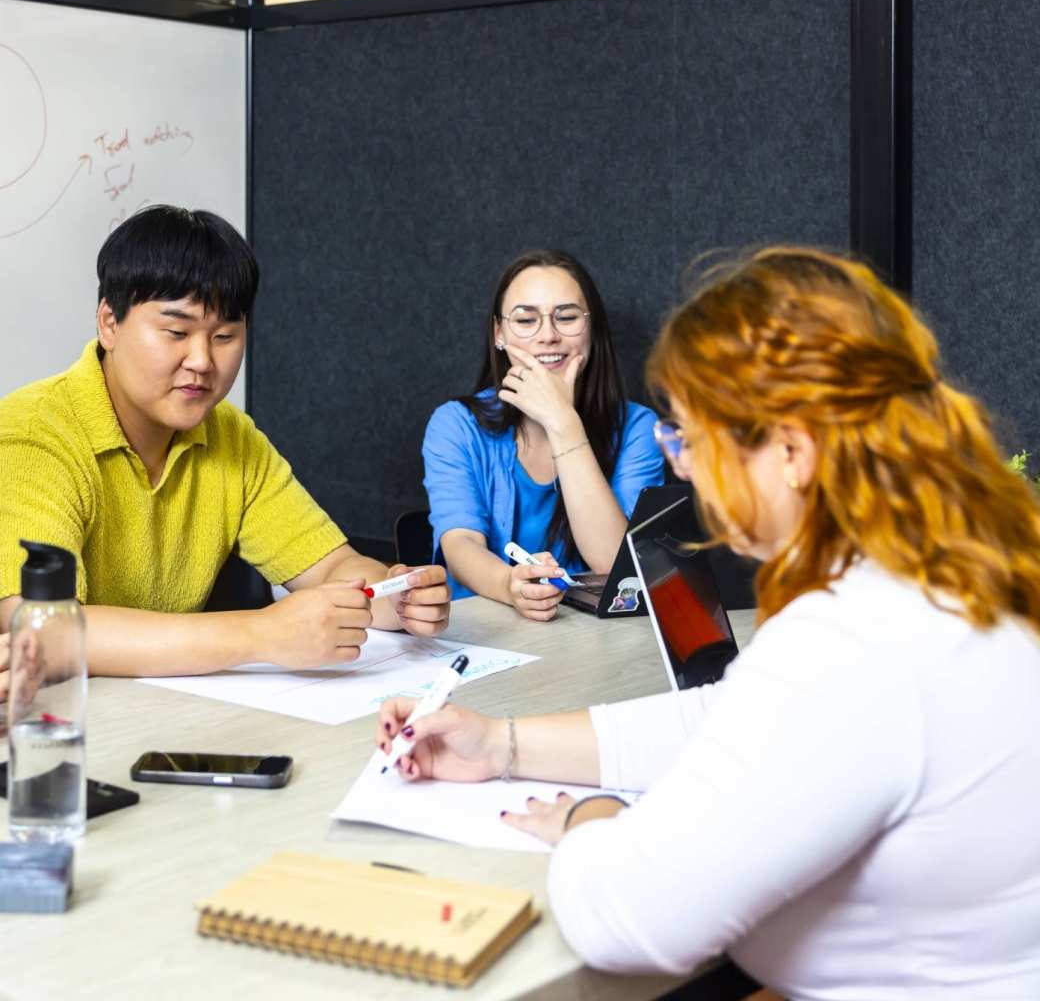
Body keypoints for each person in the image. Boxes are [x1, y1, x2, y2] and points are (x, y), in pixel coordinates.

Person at [379, 247, 1040, 996]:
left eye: (692, 439)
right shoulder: (946, 578)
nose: (684, 468)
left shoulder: (852, 640)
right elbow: (724, 723)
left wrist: (587, 818)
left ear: (790, 452)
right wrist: (500, 742)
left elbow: (624, 918)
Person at [0, 206, 450, 682]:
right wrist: (260, 634)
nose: (201, 360)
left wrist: (394, 595)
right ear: (109, 323)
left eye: (225, 336)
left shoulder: (228, 433)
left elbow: (331, 566)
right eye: (176, 332)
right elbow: (39, 624)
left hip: (177, 713)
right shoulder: (35, 434)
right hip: (66, 721)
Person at [422, 250, 663, 619]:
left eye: (566, 317)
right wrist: (510, 585)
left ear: (593, 330)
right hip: (487, 633)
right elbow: (460, 543)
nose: (548, 336)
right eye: (526, 320)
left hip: (591, 637)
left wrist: (563, 425)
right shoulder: (455, 425)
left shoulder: (637, 427)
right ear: (499, 333)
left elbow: (616, 566)